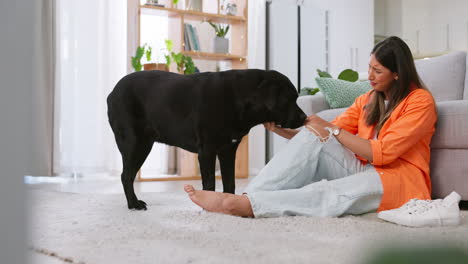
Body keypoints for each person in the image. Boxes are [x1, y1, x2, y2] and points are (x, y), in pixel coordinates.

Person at [183, 36, 437, 218]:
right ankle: (248, 196)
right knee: (315, 135)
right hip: (360, 167)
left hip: (399, 180)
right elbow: (321, 135)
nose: (369, 75)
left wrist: (332, 129)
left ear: (397, 74)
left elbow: (383, 152)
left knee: (329, 192)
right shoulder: (369, 99)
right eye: (369, 67)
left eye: (377, 71)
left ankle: (245, 205)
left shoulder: (420, 102)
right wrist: (283, 131)